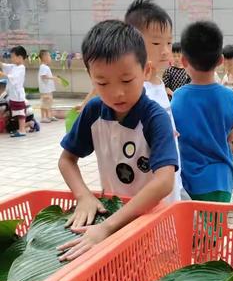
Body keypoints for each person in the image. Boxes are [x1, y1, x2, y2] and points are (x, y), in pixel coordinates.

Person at [57, 20, 178, 261]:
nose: (116, 93)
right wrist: (83, 196)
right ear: (91, 77)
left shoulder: (155, 118)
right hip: (115, 216)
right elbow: (67, 160)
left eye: (126, 80)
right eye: (102, 83)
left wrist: (107, 227)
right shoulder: (94, 111)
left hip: (154, 222)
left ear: (146, 71)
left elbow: (164, 182)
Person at [171, 21, 233, 202]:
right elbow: (231, 138)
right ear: (220, 60)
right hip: (221, 179)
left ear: (184, 60)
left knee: (190, 229)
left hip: (189, 179)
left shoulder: (177, 97)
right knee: (215, 230)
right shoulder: (231, 97)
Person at [124, 0, 184, 202]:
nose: (166, 50)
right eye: (157, 43)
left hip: (169, 173)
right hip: (147, 179)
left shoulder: (158, 82)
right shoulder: (134, 88)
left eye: (169, 42)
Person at [0, 46, 27, 137]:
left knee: (20, 112)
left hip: (18, 95)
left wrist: (3, 75)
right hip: (14, 95)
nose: (11, 59)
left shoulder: (21, 68)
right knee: (17, 112)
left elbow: (13, 77)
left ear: (19, 57)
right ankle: (22, 128)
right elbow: (4, 66)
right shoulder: (14, 66)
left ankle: (22, 130)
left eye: (12, 57)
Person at [38, 49, 59, 123]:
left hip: (48, 89)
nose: (50, 58)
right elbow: (43, 77)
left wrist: (53, 77)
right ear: (44, 57)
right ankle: (43, 117)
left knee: (48, 102)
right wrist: (53, 78)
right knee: (45, 102)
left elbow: (46, 76)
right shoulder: (43, 67)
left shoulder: (45, 67)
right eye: (49, 56)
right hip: (45, 89)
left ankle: (48, 116)